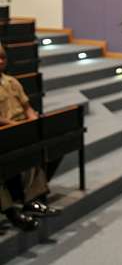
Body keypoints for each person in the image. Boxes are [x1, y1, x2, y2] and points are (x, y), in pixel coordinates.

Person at [0, 43, 60, 231]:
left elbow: (28, 108)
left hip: (21, 128)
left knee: (51, 143)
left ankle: (32, 200)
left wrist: (33, 122)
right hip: (6, 131)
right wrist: (17, 127)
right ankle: (17, 209)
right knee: (25, 147)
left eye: (3, 58)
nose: (1, 61)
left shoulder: (12, 82)